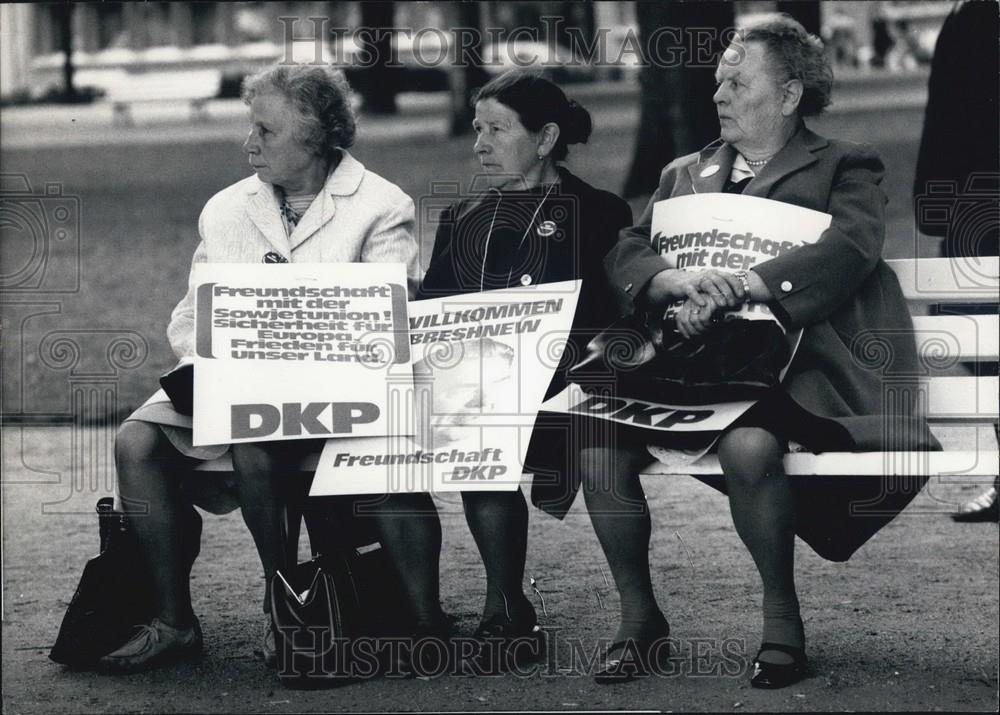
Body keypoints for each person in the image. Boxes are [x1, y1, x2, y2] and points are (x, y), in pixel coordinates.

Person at [582, 15, 939, 687]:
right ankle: (638, 619)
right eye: (718, 78)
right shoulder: (684, 173)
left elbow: (851, 247)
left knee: (750, 448)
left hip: (797, 365)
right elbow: (630, 245)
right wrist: (669, 279)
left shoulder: (843, 166)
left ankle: (782, 617)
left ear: (791, 94)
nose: (718, 93)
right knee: (598, 445)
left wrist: (745, 284)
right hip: (690, 363)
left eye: (738, 81)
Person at [100, 64, 420, 673]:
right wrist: (206, 365)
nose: (249, 143)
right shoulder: (226, 207)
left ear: (319, 135)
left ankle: (285, 605)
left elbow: (386, 315)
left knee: (255, 438)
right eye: (252, 128)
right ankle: (174, 621)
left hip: (338, 385)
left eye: (265, 131)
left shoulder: (381, 204)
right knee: (135, 441)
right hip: (231, 376)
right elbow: (196, 312)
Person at [374, 70, 632, 673]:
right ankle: (422, 618)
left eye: (496, 129)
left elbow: (606, 316)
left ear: (544, 139)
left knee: (481, 428)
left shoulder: (596, 211)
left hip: (562, 391)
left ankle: (506, 606)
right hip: (473, 391)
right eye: (476, 130)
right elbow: (435, 314)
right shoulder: (466, 216)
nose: (479, 144)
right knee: (379, 439)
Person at [912, 0, 999, 523]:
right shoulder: (972, 18)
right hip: (981, 213)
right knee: (982, 340)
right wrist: (938, 204)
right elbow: (945, 111)